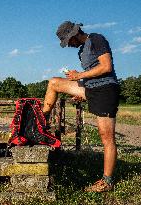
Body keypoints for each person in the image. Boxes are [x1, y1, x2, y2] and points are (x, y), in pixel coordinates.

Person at [43, 21, 119, 192]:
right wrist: (81, 87)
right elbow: (90, 75)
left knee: (106, 137)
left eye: (68, 41)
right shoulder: (81, 50)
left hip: (105, 89)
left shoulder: (96, 39)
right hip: (90, 88)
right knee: (54, 83)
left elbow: (106, 66)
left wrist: (80, 75)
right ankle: (41, 124)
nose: (68, 45)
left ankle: (107, 181)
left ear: (75, 34)